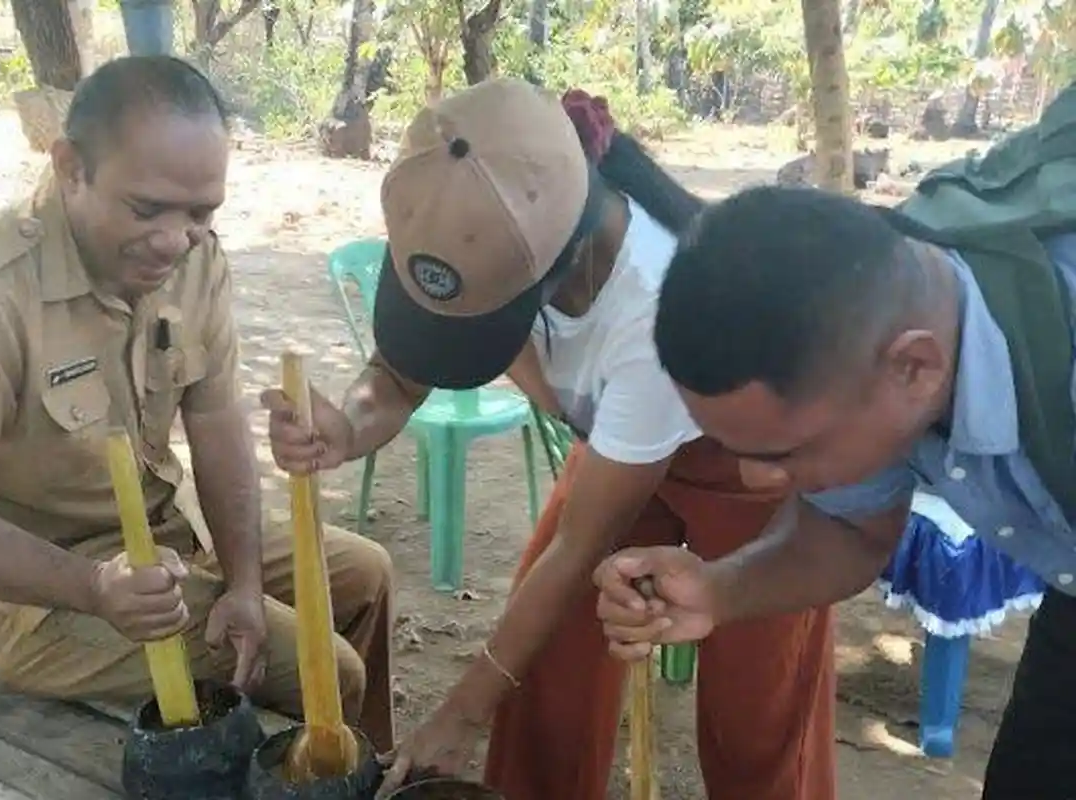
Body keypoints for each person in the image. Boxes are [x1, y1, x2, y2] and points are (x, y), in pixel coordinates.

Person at [265, 77, 836, 800]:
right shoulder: (464, 221)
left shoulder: (656, 306)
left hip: (741, 465)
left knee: (759, 710)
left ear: (562, 263)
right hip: (612, 447)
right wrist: (346, 428)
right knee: (548, 668)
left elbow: (580, 545)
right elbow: (400, 377)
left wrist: (462, 711)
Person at [0, 54, 393, 752]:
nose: (174, 239)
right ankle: (312, 762)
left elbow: (214, 423)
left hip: (167, 538)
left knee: (364, 575)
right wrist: (94, 586)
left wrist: (242, 582)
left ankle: (359, 765)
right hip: (43, 594)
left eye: (200, 212)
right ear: (69, 167)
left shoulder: (196, 261)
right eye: (147, 208)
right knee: (327, 668)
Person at [595, 91, 1076, 799]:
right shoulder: (874, 322)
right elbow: (849, 529)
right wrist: (717, 588)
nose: (759, 483)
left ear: (915, 367)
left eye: (784, 453)